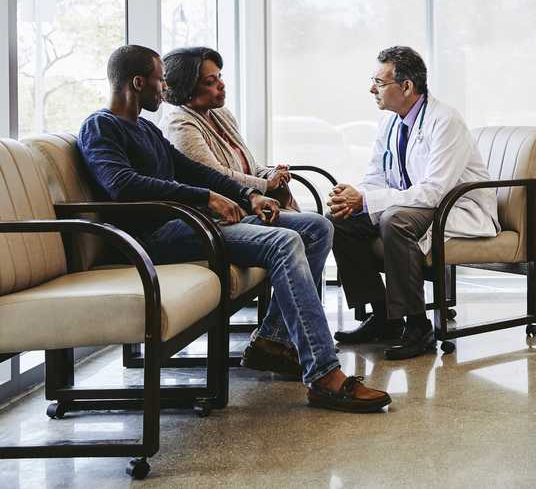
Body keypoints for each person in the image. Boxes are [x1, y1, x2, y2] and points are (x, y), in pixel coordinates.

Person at [77, 44, 390, 413]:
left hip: (188, 225)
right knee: (284, 243)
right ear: (138, 82)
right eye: (160, 81)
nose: (165, 89)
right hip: (153, 239)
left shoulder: (144, 128)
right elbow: (121, 184)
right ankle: (323, 374)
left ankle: (272, 342)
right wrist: (206, 198)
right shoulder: (101, 126)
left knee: (317, 228)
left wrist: (247, 195)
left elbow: (193, 170)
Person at [330, 46, 498, 360]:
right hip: (415, 203)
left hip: (454, 206)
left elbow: (434, 190)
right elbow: (376, 176)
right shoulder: (391, 122)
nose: (371, 89)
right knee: (338, 220)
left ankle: (418, 326)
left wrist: (367, 199)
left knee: (394, 220)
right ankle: (383, 318)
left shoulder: (445, 121)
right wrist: (355, 196)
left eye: (379, 83)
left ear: (406, 87)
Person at [159, 46, 298, 210]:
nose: (222, 85)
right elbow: (215, 176)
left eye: (220, 77)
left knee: (317, 223)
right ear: (187, 89)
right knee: (316, 225)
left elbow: (248, 164)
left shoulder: (220, 113)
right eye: (211, 82)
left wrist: (271, 173)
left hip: (251, 203)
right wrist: (267, 184)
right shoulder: (179, 125)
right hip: (223, 214)